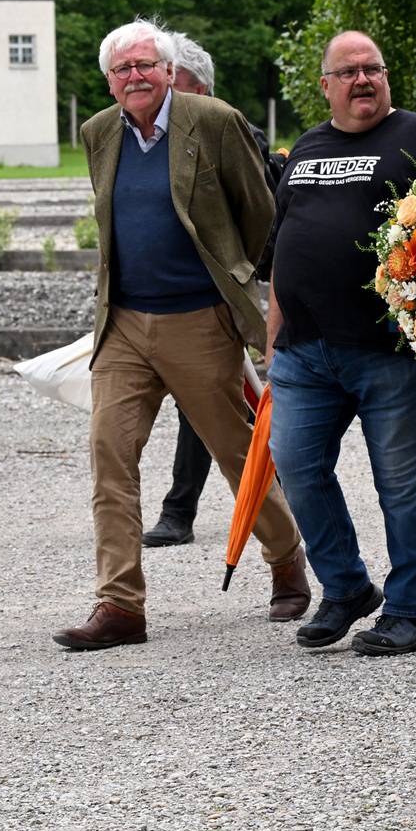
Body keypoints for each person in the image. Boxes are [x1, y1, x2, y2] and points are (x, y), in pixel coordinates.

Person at [53, 19, 307, 651]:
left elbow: (261, 214)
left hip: (200, 320)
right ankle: (120, 605)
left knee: (236, 453)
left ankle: (286, 558)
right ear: (108, 82)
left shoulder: (213, 121)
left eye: (145, 65)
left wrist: (235, 287)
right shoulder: (97, 133)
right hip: (124, 324)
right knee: (110, 454)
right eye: (122, 69)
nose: (134, 77)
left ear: (168, 70)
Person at [262, 31, 416, 657]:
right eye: (346, 72)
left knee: (400, 483)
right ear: (325, 86)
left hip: (388, 350)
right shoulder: (307, 149)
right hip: (302, 352)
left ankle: (409, 611)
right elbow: (280, 256)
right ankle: (346, 587)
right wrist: (271, 347)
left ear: (386, 75)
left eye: (372, 68)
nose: (361, 80)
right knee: (295, 465)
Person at [140, 33, 293, 554]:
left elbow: (258, 219)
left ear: (198, 87)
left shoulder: (229, 132)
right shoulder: (147, 138)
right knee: (223, 402)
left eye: (169, 80)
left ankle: (187, 510)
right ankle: (281, 490)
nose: (157, 91)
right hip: (170, 295)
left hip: (219, 294)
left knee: (213, 402)